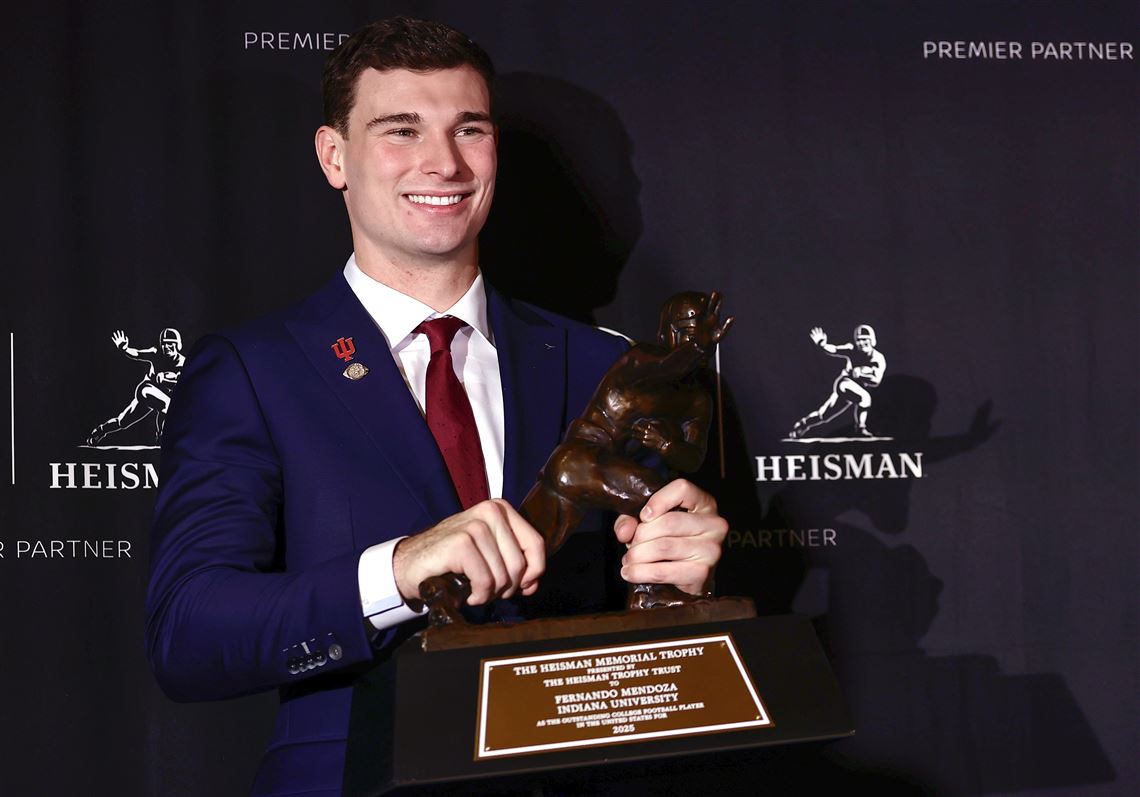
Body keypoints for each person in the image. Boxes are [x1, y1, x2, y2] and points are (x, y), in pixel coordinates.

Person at [145, 17, 728, 797]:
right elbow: (190, 630)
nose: (442, 163)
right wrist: (399, 570)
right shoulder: (255, 371)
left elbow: (654, 650)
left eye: (469, 129)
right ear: (333, 157)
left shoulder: (601, 365)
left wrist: (678, 590)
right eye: (401, 129)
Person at [86, 328, 184, 445]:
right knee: (167, 406)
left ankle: (101, 430)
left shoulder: (185, 364)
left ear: (178, 345)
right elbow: (138, 353)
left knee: (122, 422)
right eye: (164, 343)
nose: (167, 346)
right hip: (147, 390)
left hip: (162, 397)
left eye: (170, 343)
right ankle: (161, 437)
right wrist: (125, 349)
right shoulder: (156, 354)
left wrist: (170, 379)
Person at [789, 324, 886, 439]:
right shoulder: (852, 350)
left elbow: (876, 381)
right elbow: (835, 349)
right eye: (859, 340)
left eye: (865, 339)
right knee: (865, 398)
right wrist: (822, 344)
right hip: (845, 383)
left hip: (856, 388)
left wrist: (863, 374)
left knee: (824, 415)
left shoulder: (878, 359)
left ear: (872, 340)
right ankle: (860, 428)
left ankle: (803, 424)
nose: (861, 343)